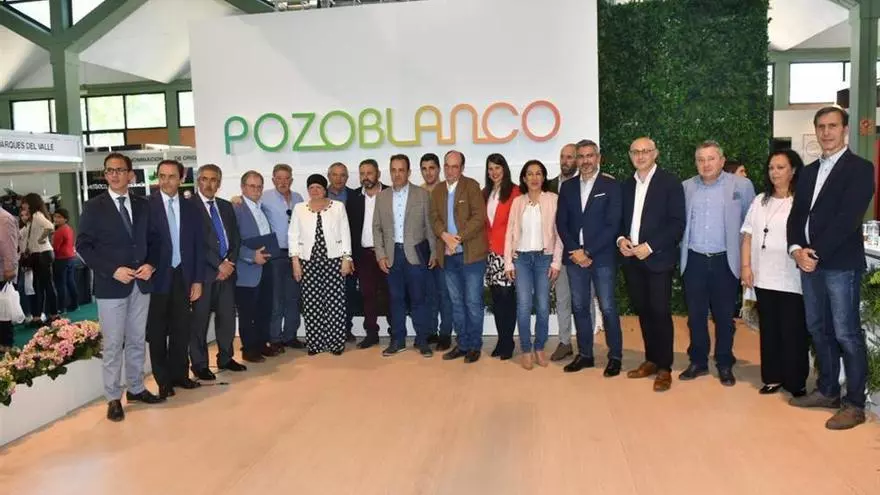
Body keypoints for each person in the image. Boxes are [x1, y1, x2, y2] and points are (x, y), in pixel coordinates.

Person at [787, 106, 875, 430]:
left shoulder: (860, 169)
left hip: (839, 265)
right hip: (809, 264)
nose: (826, 132)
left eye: (833, 126)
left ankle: (855, 404)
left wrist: (816, 253)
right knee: (817, 328)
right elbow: (797, 215)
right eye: (821, 126)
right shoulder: (808, 171)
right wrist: (796, 249)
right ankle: (827, 390)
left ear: (845, 130)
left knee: (846, 334)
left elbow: (847, 219)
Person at [77, 152, 164, 422]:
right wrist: (112, 270)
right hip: (111, 285)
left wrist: (151, 264)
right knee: (114, 343)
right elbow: (83, 246)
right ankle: (113, 397)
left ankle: (136, 388)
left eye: (119, 170)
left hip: (142, 283)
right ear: (105, 175)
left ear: (131, 175)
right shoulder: (94, 207)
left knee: (137, 339)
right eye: (109, 171)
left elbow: (156, 241)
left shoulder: (143, 204)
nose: (114, 175)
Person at [679, 140, 755, 386]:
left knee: (724, 317)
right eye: (700, 159)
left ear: (722, 161)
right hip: (694, 260)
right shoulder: (686, 187)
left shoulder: (742, 186)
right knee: (695, 316)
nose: (706, 164)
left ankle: (724, 362)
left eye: (711, 158)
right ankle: (698, 361)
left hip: (726, 261)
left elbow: (750, 226)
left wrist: (747, 263)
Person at [617, 137, 686, 392]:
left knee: (660, 312)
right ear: (630, 155)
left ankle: (665, 367)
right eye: (635, 151)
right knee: (644, 311)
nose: (640, 155)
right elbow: (620, 220)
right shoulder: (626, 185)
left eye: (645, 151)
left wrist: (650, 246)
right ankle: (651, 359)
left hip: (658, 258)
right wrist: (621, 239)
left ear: (655, 153)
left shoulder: (670, 182)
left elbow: (677, 223)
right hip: (632, 260)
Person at [741, 150, 807, 398]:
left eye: (780, 167)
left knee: (793, 331)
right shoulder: (760, 200)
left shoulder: (801, 201)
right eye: (771, 168)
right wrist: (746, 267)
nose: (775, 172)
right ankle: (772, 377)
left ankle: (796, 381)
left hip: (791, 277)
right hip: (763, 276)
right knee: (769, 330)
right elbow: (747, 236)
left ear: (793, 170)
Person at [556, 139, 624, 376]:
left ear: (598, 158)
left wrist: (588, 252)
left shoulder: (611, 185)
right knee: (579, 306)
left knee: (607, 307)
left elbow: (613, 224)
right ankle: (585, 354)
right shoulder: (567, 187)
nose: (585, 160)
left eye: (589, 156)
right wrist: (576, 250)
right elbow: (561, 223)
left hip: (601, 257)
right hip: (575, 258)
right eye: (581, 156)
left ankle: (615, 356)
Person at [146, 160, 205, 398]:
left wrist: (197, 280)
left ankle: (180, 374)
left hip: (184, 275)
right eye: (162, 176)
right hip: (157, 276)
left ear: (181, 179)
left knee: (182, 328)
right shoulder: (146, 206)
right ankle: (163, 380)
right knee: (158, 331)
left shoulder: (191, 208)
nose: (166, 181)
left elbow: (198, 246)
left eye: (171, 176)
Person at [374, 154, 437, 357]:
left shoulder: (422, 195)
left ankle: (422, 341)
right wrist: (380, 255)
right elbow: (377, 228)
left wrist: (434, 252)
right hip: (392, 256)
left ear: (408, 172)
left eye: (401, 170)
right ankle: (398, 341)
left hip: (416, 255)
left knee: (419, 299)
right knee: (396, 300)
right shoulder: (382, 197)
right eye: (393, 170)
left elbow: (429, 226)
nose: (397, 174)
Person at [189, 164, 247, 380]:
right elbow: (196, 243)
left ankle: (225, 357)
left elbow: (235, 238)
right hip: (203, 275)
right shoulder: (189, 207)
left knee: (227, 319)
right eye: (204, 179)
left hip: (227, 274)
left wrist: (229, 263)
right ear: (198, 181)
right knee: (199, 322)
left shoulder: (225, 206)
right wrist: (218, 264)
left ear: (219, 183)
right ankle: (199, 364)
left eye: (213, 180)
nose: (209, 184)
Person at [430, 150, 488, 363]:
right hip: (448, 256)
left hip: (471, 256)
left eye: (455, 166)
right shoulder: (437, 190)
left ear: (462, 168)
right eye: (447, 166)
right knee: (456, 303)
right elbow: (434, 217)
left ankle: (474, 345)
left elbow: (479, 217)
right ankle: (462, 344)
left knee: (472, 302)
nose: (450, 170)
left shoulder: (471, 186)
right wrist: (445, 236)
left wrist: (458, 238)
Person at [504, 160, 562, 370]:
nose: (534, 178)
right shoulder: (518, 202)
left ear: (544, 177)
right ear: (524, 178)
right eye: (530, 174)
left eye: (538, 173)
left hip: (544, 259)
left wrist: (556, 261)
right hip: (521, 260)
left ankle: (539, 347)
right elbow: (509, 232)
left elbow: (559, 233)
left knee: (543, 306)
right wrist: (508, 263)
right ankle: (526, 349)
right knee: (524, 306)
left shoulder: (553, 199)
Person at [289, 174, 353, 355]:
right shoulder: (299, 208)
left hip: (334, 261)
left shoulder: (338, 207)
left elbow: (345, 232)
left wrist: (347, 258)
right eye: (311, 187)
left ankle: (336, 343)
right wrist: (295, 262)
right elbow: (293, 235)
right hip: (307, 262)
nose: (315, 190)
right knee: (311, 305)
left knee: (335, 304)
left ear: (325, 189)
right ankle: (315, 344)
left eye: (318, 187)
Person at [234, 171, 278, 363]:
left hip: (267, 265)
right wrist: (252, 256)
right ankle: (249, 349)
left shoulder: (262, 208)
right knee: (247, 313)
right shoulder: (236, 209)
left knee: (264, 308)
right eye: (252, 186)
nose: (256, 190)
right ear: (243, 187)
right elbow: (233, 242)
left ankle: (262, 344)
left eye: (259, 186)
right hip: (247, 269)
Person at [347, 159, 391, 349]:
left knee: (391, 294)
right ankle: (371, 333)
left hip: (387, 254)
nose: (366, 177)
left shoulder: (390, 193)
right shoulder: (354, 197)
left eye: (369, 173)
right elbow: (349, 228)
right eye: (362, 173)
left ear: (378, 174)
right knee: (368, 295)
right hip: (364, 255)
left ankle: (395, 332)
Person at [261, 164, 305, 350]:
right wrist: (236, 199)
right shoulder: (264, 197)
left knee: (293, 297)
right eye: (279, 178)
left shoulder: (299, 198)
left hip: (296, 255)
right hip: (275, 254)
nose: (283, 182)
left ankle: (290, 336)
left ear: (291, 180)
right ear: (273, 180)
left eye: (286, 178)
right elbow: (248, 206)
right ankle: (275, 338)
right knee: (276, 298)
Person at [483, 153, 520, 360]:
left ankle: (508, 342)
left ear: (504, 169)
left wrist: (511, 255)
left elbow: (518, 226)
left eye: (497, 168)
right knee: (497, 300)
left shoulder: (515, 192)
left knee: (507, 299)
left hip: (506, 254)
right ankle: (501, 340)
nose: (494, 172)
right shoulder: (485, 192)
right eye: (490, 169)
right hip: (490, 254)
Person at [547, 144, 578, 361]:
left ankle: (586, 344)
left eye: (569, 157)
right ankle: (565, 342)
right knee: (562, 299)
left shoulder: (585, 184)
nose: (565, 161)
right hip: (558, 254)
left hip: (582, 252)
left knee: (584, 300)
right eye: (562, 157)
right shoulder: (548, 185)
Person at [420, 153, 453, 350]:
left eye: (432, 168)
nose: (428, 172)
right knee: (428, 293)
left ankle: (445, 333)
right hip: (422, 249)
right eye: (424, 169)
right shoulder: (417, 192)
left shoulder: (447, 190)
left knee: (444, 293)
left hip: (443, 247)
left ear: (439, 169)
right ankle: (430, 331)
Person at [327, 162, 359, 343]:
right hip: (325, 254)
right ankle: (330, 329)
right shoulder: (319, 194)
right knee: (327, 294)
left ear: (347, 177)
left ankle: (346, 328)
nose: (338, 179)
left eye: (342, 175)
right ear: (329, 176)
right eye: (335, 174)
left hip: (350, 253)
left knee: (348, 293)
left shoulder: (355, 195)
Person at [21, 193, 59, 324]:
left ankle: (53, 315)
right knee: (40, 286)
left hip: (42, 254)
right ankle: (40, 316)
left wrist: (42, 238)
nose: (23, 205)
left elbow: (49, 226)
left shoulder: (37, 215)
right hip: (39, 255)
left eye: (25, 203)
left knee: (46, 285)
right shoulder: (32, 218)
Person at [51, 208, 79, 313]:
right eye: (55, 216)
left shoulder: (59, 231)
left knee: (60, 284)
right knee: (70, 281)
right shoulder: (69, 228)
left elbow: (55, 247)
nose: (56, 219)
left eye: (59, 217)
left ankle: (61, 307)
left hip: (61, 259)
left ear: (65, 219)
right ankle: (75, 304)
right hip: (71, 257)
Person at [0, 206, 18, 350]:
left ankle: (6, 345)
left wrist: (9, 268)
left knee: (3, 311)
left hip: (2, 272)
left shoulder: (4, 219)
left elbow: (9, 246)